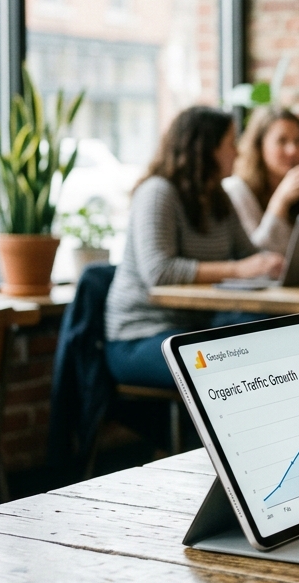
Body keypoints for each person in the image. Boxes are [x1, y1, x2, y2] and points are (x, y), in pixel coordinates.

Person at [104, 107, 284, 389]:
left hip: (196, 330)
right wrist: (239, 270)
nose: (237, 153)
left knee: (270, 340)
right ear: (205, 149)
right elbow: (160, 271)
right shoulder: (157, 192)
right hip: (142, 336)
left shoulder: (219, 197)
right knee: (231, 372)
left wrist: (270, 263)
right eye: (230, 144)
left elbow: (249, 255)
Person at [224, 106, 299, 254]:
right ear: (259, 145)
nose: (292, 150)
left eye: (298, 141)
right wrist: (280, 200)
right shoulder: (237, 189)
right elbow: (255, 256)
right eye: (281, 141)